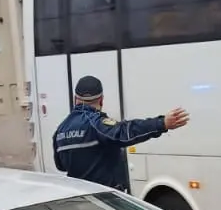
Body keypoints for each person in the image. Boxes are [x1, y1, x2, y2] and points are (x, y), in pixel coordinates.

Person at [52, 76, 188, 193]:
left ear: (76, 98)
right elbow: (125, 132)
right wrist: (162, 123)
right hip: (104, 201)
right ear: (101, 100)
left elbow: (61, 166)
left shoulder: (60, 130)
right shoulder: (96, 124)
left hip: (80, 201)